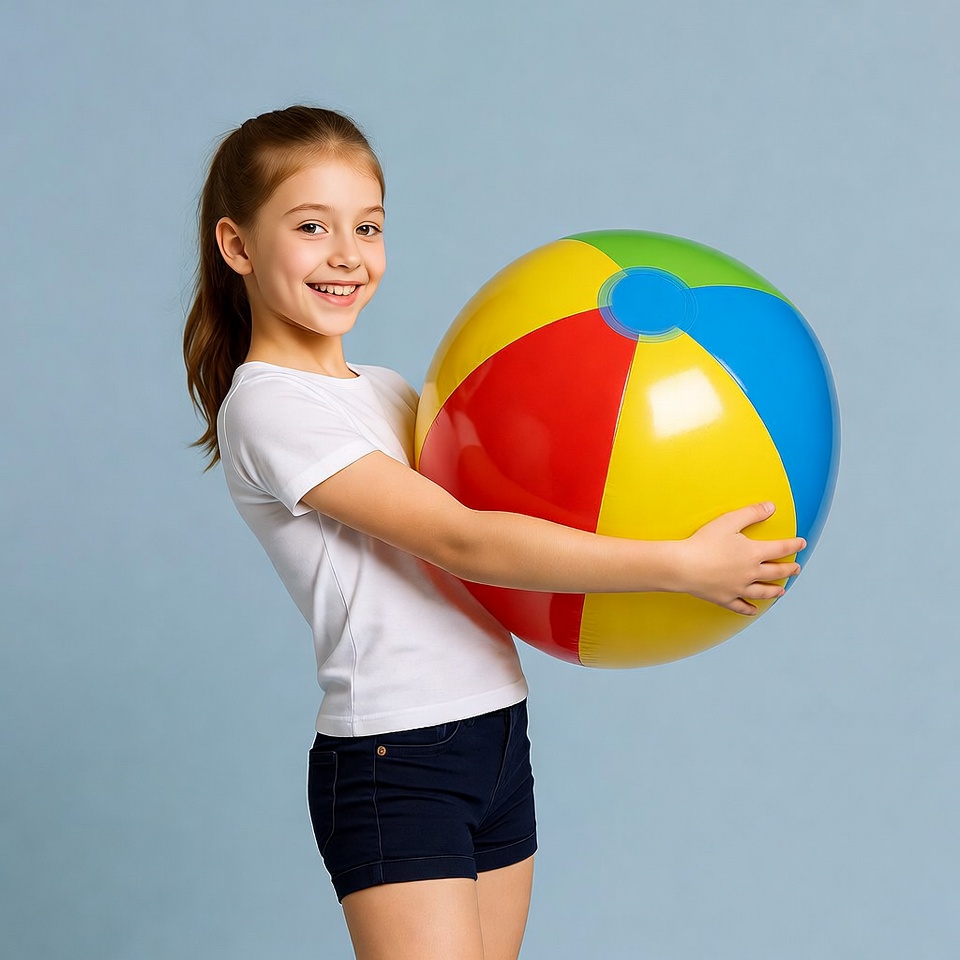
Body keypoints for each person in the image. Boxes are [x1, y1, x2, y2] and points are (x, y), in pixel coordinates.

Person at [183, 105, 804, 960]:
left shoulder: (390, 391)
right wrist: (681, 565)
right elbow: (464, 541)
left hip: (495, 729)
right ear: (238, 245)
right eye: (311, 226)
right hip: (397, 757)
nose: (347, 255)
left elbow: (524, 497)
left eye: (368, 226)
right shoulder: (270, 409)